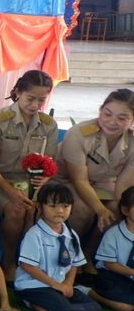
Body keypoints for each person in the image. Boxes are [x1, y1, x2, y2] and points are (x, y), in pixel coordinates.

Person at [0, 70, 58, 277]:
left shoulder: (49, 125)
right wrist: (12, 192)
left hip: (30, 181)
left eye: (41, 100)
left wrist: (44, 179)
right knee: (16, 209)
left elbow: (50, 162)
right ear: (17, 92)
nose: (35, 105)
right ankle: (8, 261)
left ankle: (34, 263)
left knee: (40, 210)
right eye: (30, 98)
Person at [54, 88, 134, 250]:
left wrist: (126, 208)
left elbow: (124, 185)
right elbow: (79, 180)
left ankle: (90, 255)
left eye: (122, 118)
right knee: (85, 210)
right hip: (65, 180)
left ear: (132, 120)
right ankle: (70, 252)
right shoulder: (79, 134)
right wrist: (100, 209)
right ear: (100, 110)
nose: (112, 121)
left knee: (118, 210)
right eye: (107, 114)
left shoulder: (132, 142)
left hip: (101, 183)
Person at [13, 183, 101, 311]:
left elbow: (74, 264)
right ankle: (28, 301)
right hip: (35, 285)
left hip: (59, 286)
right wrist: (54, 284)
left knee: (94, 310)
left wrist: (68, 284)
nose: (60, 211)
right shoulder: (35, 234)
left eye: (65, 206)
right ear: (40, 207)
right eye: (53, 206)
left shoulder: (71, 235)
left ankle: (64, 305)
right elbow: (27, 266)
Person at [90, 186, 134, 311]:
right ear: (125, 210)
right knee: (125, 307)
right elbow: (109, 264)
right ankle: (90, 293)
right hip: (114, 276)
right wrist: (132, 272)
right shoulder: (114, 233)